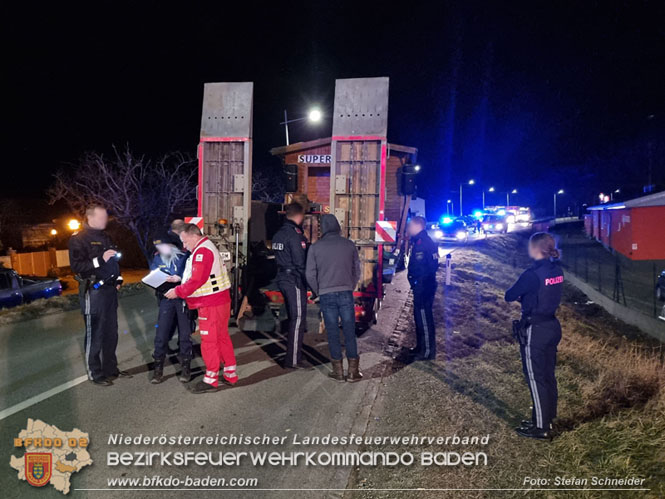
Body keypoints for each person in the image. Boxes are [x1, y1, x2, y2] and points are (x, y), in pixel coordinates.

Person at [164, 224, 237, 393]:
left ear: (193, 236)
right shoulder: (206, 247)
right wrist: (180, 279)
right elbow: (201, 275)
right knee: (222, 337)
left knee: (209, 341)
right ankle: (230, 374)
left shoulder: (202, 252)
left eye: (184, 241)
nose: (184, 246)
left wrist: (177, 291)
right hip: (220, 301)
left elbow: (197, 280)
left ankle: (211, 380)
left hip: (210, 304)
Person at [505, 232, 564, 440]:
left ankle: (541, 427)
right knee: (547, 375)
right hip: (552, 325)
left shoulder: (531, 274)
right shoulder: (556, 269)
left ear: (536, 249)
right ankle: (547, 417)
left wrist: (524, 296)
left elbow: (509, 295)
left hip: (535, 330)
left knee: (535, 377)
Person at [68, 205, 131, 386]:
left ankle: (111, 370)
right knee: (95, 333)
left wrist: (118, 279)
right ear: (91, 218)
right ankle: (95, 373)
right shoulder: (78, 239)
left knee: (111, 333)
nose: (105, 220)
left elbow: (114, 262)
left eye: (106, 217)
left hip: (110, 290)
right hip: (93, 291)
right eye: (102, 217)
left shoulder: (105, 237)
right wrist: (99, 259)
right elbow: (77, 266)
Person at [306, 214, 361, 382]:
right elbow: (356, 270)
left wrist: (318, 291)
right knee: (349, 331)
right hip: (345, 292)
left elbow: (309, 273)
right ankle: (353, 372)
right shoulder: (349, 245)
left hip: (326, 294)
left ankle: (338, 371)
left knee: (332, 332)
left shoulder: (315, 247)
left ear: (323, 227)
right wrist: (349, 286)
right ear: (337, 226)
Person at [149, 233, 192, 384]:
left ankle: (186, 367)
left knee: (185, 334)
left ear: (171, 245)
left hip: (182, 298)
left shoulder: (184, 256)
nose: (160, 249)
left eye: (162, 246)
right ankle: (158, 369)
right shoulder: (157, 257)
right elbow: (153, 273)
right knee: (161, 334)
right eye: (158, 247)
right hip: (166, 298)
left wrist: (178, 278)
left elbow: (190, 274)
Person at [272, 203, 308, 369]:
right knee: (298, 319)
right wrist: (309, 282)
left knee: (294, 317)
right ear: (299, 216)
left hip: (281, 276)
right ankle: (293, 360)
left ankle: (293, 357)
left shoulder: (278, 233)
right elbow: (300, 262)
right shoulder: (295, 235)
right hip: (294, 279)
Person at [407, 216, 439, 361]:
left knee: (424, 319)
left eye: (410, 226)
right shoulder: (422, 241)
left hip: (423, 287)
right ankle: (421, 347)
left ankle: (426, 352)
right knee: (420, 318)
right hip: (422, 286)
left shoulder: (422, 243)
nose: (408, 229)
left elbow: (426, 268)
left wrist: (417, 283)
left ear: (417, 226)